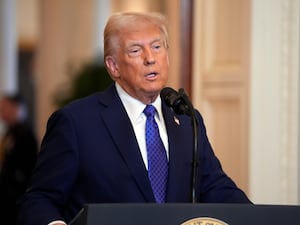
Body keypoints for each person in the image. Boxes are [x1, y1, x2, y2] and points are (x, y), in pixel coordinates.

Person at [17, 12, 251, 225]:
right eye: (136, 51)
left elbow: (215, 186)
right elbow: (39, 199)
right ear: (113, 66)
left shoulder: (187, 119)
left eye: (157, 47)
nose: (150, 58)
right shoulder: (76, 123)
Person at [0, 93, 38, 225]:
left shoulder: (25, 134)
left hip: (17, 195)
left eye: (5, 108)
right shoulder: (9, 133)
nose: (2, 113)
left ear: (15, 108)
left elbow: (28, 167)